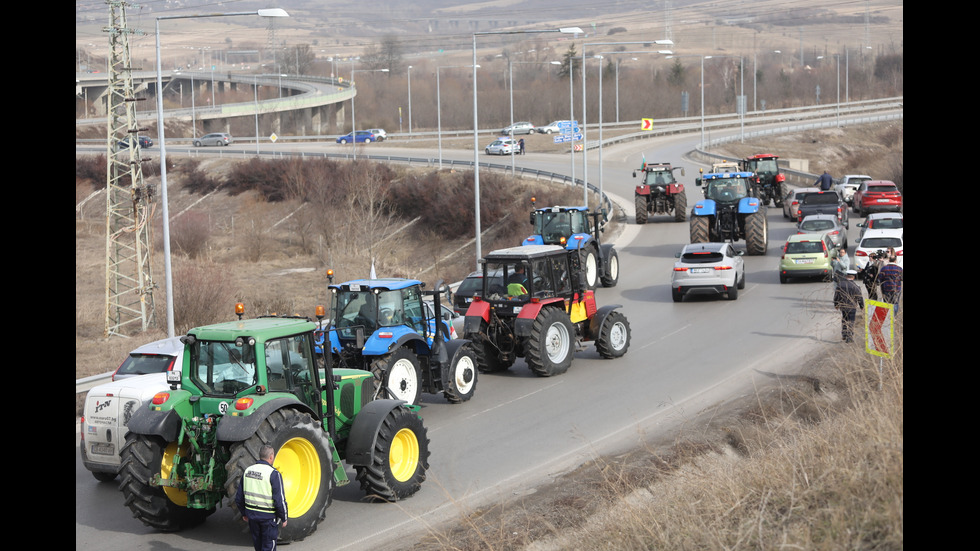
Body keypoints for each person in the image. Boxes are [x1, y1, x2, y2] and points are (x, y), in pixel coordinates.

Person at [236, 445, 288, 551]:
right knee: (269, 547)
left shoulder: (247, 471)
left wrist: (244, 513)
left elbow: (239, 498)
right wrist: (284, 517)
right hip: (268, 519)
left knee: (258, 547)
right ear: (271, 457)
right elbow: (279, 500)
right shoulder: (273, 474)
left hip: (252, 518)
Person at [833, 269, 864, 343]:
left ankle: (844, 334)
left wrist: (836, 304)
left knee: (844, 319)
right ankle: (849, 336)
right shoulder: (856, 286)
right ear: (853, 277)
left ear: (846, 276)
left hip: (843, 306)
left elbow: (836, 295)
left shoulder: (840, 284)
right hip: (852, 306)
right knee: (851, 321)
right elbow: (859, 297)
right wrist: (861, 306)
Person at [877, 247, 903, 313]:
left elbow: (879, 278)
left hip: (886, 289)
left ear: (889, 260)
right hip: (896, 289)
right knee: (895, 303)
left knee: (887, 304)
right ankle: (894, 317)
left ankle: (888, 317)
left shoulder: (884, 269)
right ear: (895, 260)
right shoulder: (899, 269)